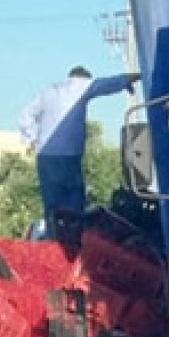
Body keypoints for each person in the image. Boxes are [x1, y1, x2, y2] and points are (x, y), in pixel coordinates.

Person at [19, 66, 137, 236]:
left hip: (45, 154)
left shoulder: (49, 91)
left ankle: (54, 238)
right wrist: (131, 78)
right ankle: (73, 240)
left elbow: (26, 114)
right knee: (73, 201)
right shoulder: (81, 86)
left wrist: (30, 138)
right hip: (69, 155)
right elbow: (106, 84)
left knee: (51, 202)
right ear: (85, 78)